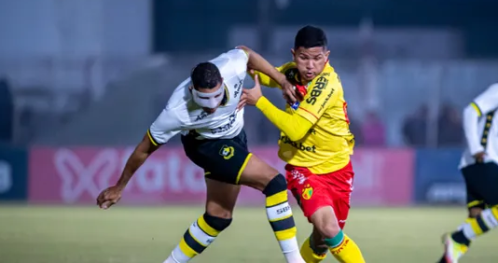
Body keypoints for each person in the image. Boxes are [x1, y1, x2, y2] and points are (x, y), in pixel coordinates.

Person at [96, 47, 305, 263]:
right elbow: (144, 148)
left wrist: (282, 79)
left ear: (222, 80)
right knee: (275, 183)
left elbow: (247, 53)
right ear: (192, 89)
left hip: (236, 138)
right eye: (204, 99)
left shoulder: (232, 66)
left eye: (217, 95)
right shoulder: (176, 110)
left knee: (218, 218)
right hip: (206, 146)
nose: (213, 105)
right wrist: (119, 186)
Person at [240, 25, 365, 263]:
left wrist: (261, 102)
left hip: (338, 169)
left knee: (321, 241)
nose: (310, 66)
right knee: (329, 229)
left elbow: (296, 130)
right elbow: (260, 70)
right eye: (303, 58)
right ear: (293, 54)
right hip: (304, 170)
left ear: (326, 57)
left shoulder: (326, 83)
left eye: (317, 59)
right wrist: (239, 57)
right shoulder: (291, 73)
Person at [438, 51, 498, 263]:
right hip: (481, 160)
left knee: (476, 221)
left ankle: (449, 254)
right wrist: (477, 148)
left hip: (486, 164)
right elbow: (470, 111)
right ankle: (455, 237)